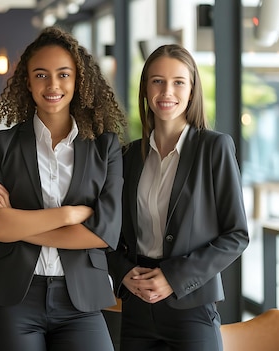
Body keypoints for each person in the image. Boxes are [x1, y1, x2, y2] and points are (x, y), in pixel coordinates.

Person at [0, 26, 126, 351]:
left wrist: (17, 221)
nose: (52, 85)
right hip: (14, 298)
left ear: (78, 81)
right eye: (41, 74)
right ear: (27, 81)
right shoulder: (4, 143)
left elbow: (105, 232)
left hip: (82, 301)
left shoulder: (105, 147)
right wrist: (68, 215)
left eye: (63, 74)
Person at [106, 44, 249, 350]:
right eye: (157, 81)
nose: (166, 91)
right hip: (137, 307)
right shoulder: (128, 156)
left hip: (191, 307)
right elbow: (109, 233)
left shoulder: (214, 148)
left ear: (192, 89)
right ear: (145, 88)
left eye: (178, 82)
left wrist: (173, 278)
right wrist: (123, 272)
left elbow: (236, 235)